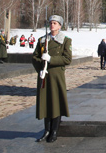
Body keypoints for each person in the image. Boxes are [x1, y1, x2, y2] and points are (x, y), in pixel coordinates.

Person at [32, 15, 72, 143]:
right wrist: (40, 67)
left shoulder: (65, 40)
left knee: (55, 102)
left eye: (55, 23)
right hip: (45, 75)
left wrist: (51, 59)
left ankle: (54, 131)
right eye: (50, 23)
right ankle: (46, 130)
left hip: (56, 76)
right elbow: (34, 57)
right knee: (45, 102)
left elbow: (67, 59)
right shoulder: (42, 40)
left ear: (60, 26)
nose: (52, 25)